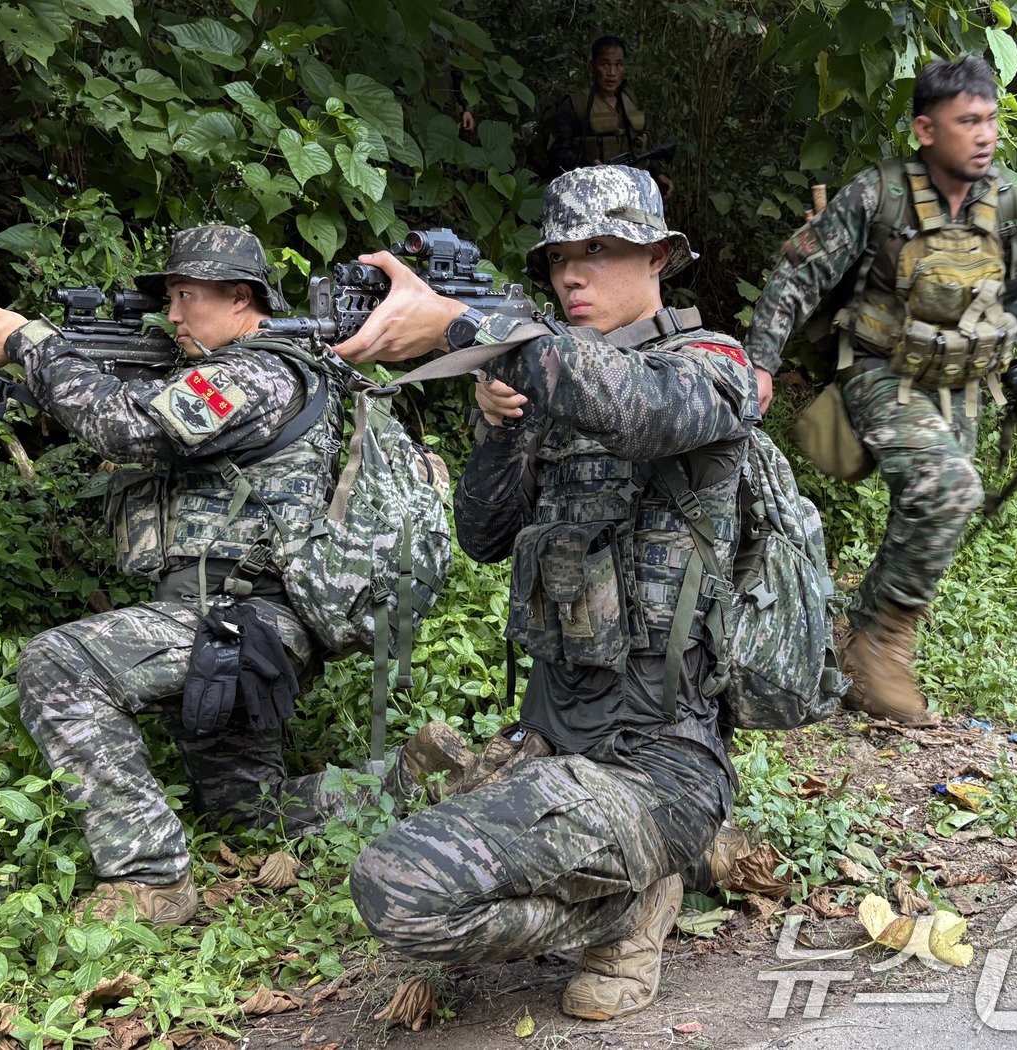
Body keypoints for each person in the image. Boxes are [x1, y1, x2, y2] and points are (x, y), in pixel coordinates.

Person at [0, 226, 472, 925]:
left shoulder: (257, 373)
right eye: (169, 298)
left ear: (240, 298)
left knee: (60, 664)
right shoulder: (233, 374)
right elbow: (120, 411)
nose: (171, 315)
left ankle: (149, 879)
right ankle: (411, 782)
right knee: (247, 813)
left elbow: (125, 428)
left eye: (185, 296)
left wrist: (32, 344)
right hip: (235, 628)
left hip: (232, 622)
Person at [331, 166, 755, 1021]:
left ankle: (635, 899)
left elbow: (639, 408)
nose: (572, 274)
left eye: (600, 250)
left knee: (402, 883)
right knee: (398, 855)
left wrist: (465, 323)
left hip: (662, 761)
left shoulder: (712, 368)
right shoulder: (549, 381)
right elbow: (483, 539)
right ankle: (636, 884)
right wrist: (497, 427)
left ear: (660, 258)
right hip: (557, 738)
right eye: (561, 256)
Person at [744, 55, 1017, 725]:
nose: (985, 135)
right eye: (967, 122)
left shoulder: (1005, 201)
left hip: (961, 385)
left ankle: (862, 627)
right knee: (950, 490)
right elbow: (799, 276)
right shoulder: (879, 195)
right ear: (926, 129)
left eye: (991, 121)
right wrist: (759, 362)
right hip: (879, 372)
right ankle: (883, 647)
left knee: (927, 508)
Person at [546, 36, 673, 197]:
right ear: (592, 66)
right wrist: (588, 165)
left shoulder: (630, 101)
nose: (611, 73)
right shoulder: (576, 105)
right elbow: (558, 153)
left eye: (618, 65)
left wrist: (658, 174)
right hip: (589, 194)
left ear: (624, 68)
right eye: (605, 64)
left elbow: (642, 146)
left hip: (630, 192)